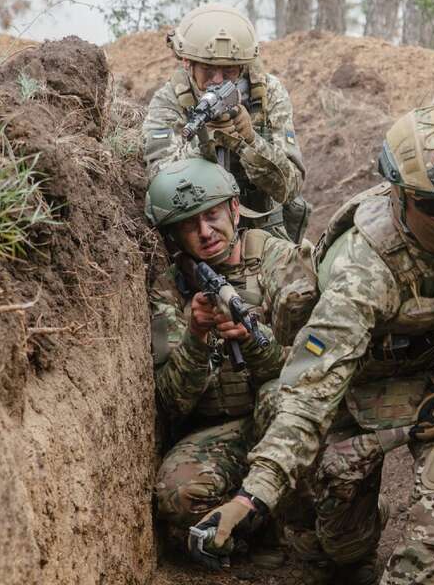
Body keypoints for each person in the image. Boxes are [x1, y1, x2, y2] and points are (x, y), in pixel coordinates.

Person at [190, 106, 434, 584]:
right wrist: (251, 496)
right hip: (349, 386)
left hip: (428, 382)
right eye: (432, 204)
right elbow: (311, 390)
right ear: (400, 195)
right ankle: (346, 527)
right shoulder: (362, 270)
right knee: (341, 548)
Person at [145, 156, 315, 568]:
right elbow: (172, 402)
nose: (205, 233)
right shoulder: (171, 287)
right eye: (190, 225)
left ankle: (321, 530)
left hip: (283, 415)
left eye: (213, 216)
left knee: (280, 397)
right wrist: (197, 337)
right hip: (222, 428)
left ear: (235, 208)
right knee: (177, 495)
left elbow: (314, 373)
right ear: (175, 235)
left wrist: (257, 345)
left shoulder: (281, 262)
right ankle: (250, 530)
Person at [143, 3, 309, 242]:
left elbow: (291, 187)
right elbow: (158, 185)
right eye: (208, 71)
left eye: (229, 72)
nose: (217, 81)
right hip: (197, 233)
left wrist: (249, 141)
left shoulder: (267, 94)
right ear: (187, 63)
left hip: (262, 232)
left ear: (243, 67)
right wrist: (203, 142)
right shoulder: (170, 100)